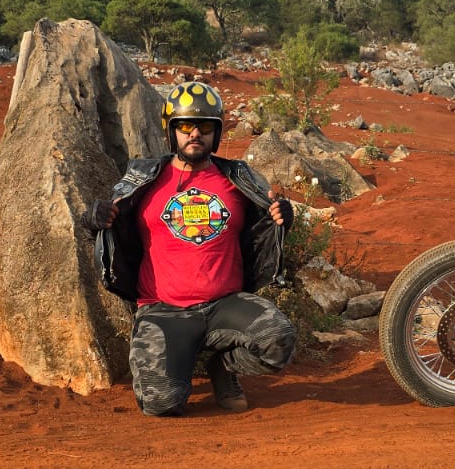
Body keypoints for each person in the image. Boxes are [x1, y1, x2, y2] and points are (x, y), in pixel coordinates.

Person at [83, 81, 296, 416]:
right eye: (185, 126)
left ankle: (223, 366)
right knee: (160, 403)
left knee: (278, 339)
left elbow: (264, 224)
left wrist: (282, 218)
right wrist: (93, 219)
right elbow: (105, 224)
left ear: (217, 132)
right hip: (163, 309)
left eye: (205, 127)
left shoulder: (238, 178)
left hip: (225, 304)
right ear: (171, 131)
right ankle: (180, 364)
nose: (195, 134)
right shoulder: (142, 179)